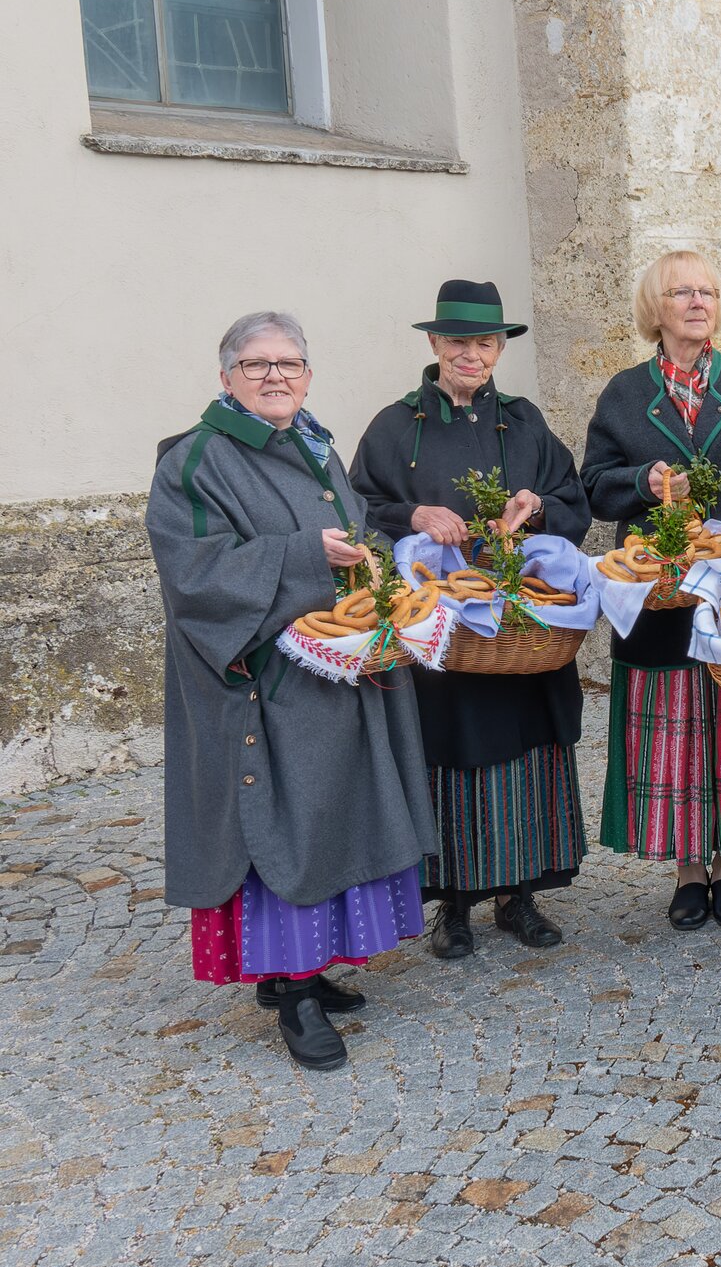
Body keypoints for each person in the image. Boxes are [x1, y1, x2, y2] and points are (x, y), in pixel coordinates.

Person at [146, 312, 439, 1072]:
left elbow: (352, 527)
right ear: (226, 377)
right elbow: (195, 574)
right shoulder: (196, 461)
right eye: (256, 364)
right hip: (260, 679)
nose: (275, 376)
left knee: (330, 812)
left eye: (290, 363)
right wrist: (305, 556)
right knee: (284, 823)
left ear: (307, 374)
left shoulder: (313, 442)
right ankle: (295, 995)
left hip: (333, 663)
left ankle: (306, 970)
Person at [351, 279, 592, 959]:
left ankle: (521, 896)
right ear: (435, 343)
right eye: (459, 340)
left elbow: (573, 499)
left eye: (485, 341)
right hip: (443, 634)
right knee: (447, 758)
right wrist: (411, 516)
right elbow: (353, 510)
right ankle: (452, 907)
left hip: (521, 631)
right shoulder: (396, 426)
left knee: (526, 751)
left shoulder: (525, 420)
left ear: (497, 348)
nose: (472, 353)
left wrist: (537, 507)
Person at [583, 250, 721, 931]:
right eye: (681, 292)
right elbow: (593, 484)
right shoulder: (622, 393)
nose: (697, 302)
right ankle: (686, 867)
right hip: (656, 591)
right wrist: (642, 481)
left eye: (707, 291)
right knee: (670, 722)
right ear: (657, 308)